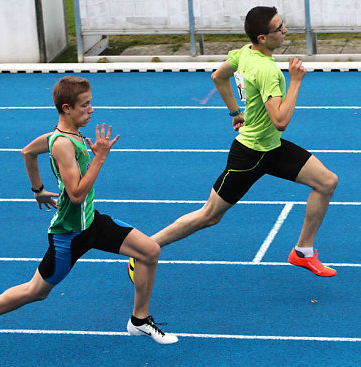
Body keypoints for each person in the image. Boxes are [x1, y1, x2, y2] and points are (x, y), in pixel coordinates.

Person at [0, 76, 178, 350]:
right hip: (68, 236)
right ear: (66, 108)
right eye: (85, 105)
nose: (91, 110)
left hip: (91, 223)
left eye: (90, 103)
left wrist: (38, 190)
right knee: (36, 291)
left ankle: (139, 320)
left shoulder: (64, 135)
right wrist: (100, 158)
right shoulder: (61, 143)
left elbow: (27, 152)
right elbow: (77, 193)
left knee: (150, 251)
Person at [129, 6, 338, 282]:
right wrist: (296, 81)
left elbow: (218, 76)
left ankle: (302, 251)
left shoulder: (244, 53)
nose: (285, 31)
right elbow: (281, 121)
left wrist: (234, 112)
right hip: (250, 155)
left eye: (283, 24)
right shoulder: (267, 71)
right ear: (262, 38)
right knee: (209, 215)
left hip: (271, 148)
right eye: (279, 28)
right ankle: (142, 249)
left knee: (326, 182)